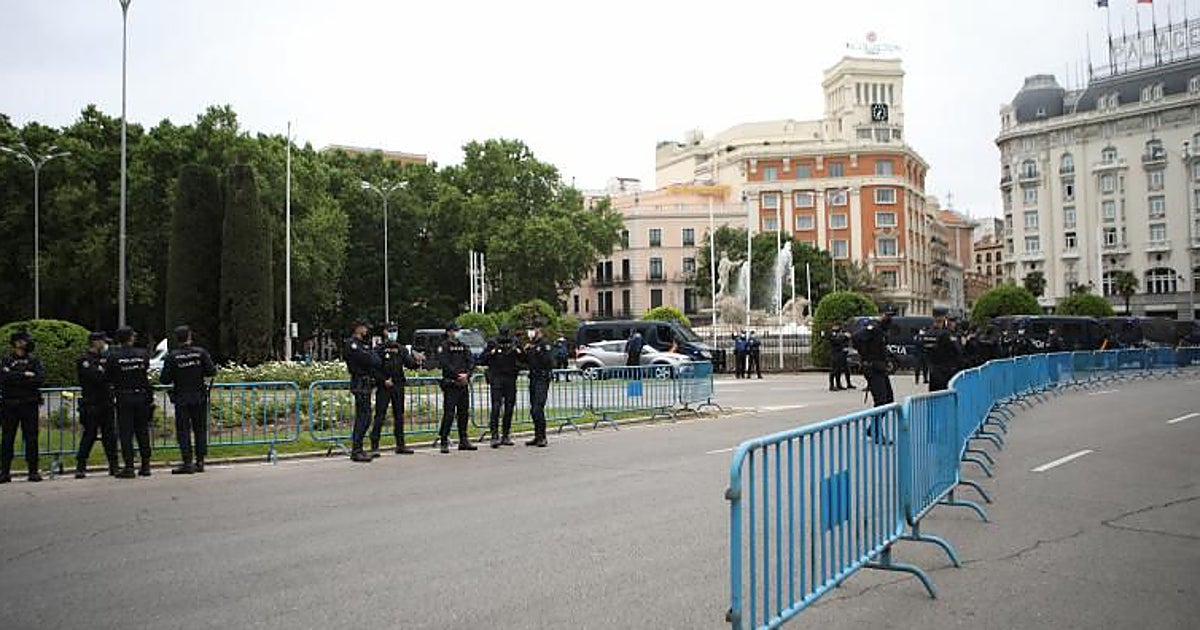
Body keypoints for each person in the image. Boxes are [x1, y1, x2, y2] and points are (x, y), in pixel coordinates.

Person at [160, 325, 216, 474]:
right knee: (200, 429)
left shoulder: (172, 356)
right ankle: (200, 461)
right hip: (199, 396)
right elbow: (212, 371)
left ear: (176, 339)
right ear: (190, 337)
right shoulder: (200, 353)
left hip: (181, 397)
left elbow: (164, 379)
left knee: (183, 431)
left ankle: (187, 462)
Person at [105, 327, 154, 478]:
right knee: (142, 431)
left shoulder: (113, 356)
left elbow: (108, 377)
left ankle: (129, 466)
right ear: (131, 338)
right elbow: (146, 371)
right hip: (142, 395)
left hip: (123, 396)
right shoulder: (142, 354)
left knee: (126, 433)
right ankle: (145, 465)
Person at [371, 323, 422, 457]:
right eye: (391, 331)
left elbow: (409, 364)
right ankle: (374, 445)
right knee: (380, 415)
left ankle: (400, 444)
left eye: (395, 331)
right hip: (384, 385)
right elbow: (374, 368)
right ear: (385, 332)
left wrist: (417, 361)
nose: (393, 334)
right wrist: (383, 380)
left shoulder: (401, 349)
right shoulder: (379, 349)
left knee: (399, 415)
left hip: (398, 384)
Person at [1, 331, 45, 483]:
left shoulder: (34, 360)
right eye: (25, 341)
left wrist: (16, 376)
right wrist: (25, 375)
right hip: (10, 404)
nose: (28, 343)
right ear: (17, 343)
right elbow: (4, 378)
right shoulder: (6, 360)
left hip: (29, 403)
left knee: (31, 438)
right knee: (7, 438)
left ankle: (33, 471)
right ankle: (5, 472)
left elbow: (39, 379)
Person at [75, 332, 118, 478]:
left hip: (106, 401)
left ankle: (113, 465)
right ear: (95, 342)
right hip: (91, 402)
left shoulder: (106, 358)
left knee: (109, 435)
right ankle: (81, 466)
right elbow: (96, 377)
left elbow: (112, 375)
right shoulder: (84, 359)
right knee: (89, 435)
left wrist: (105, 374)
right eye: (102, 341)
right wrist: (104, 374)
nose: (104, 344)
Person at [852, 308, 897, 443]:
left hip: (880, 368)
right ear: (881, 315)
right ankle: (877, 432)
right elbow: (856, 337)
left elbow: (881, 348)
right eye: (887, 316)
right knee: (881, 401)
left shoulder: (882, 330)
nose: (889, 319)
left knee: (889, 400)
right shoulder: (873, 327)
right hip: (872, 368)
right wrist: (864, 355)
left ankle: (873, 428)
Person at [479, 325, 522, 449]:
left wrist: (518, 351)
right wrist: (492, 352)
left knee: (509, 407)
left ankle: (506, 434)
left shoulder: (514, 342)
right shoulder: (493, 342)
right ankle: (494, 435)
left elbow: (524, 359)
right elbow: (482, 359)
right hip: (497, 378)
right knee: (496, 407)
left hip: (510, 377)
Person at [344, 319, 381, 463]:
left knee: (365, 417)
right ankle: (356, 450)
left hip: (366, 382)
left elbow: (376, 361)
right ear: (358, 328)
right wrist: (371, 356)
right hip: (359, 382)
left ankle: (359, 449)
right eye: (364, 327)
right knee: (363, 418)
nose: (366, 330)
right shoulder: (352, 344)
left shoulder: (363, 344)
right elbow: (368, 359)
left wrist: (371, 357)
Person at [437, 322, 476, 454]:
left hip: (463, 384)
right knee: (449, 413)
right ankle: (444, 440)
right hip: (451, 384)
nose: (457, 333)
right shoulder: (444, 346)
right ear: (449, 332)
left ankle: (463, 439)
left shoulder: (463, 346)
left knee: (463, 413)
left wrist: (467, 374)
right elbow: (445, 364)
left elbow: (471, 361)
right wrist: (457, 376)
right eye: (455, 330)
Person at [523, 321, 556, 448]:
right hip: (533, 378)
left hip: (542, 378)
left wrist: (536, 351)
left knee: (538, 408)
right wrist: (524, 352)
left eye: (532, 329)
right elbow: (527, 362)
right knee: (533, 409)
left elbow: (549, 361)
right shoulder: (532, 345)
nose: (530, 332)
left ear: (539, 330)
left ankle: (543, 437)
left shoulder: (545, 344)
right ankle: (537, 435)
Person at [921, 308, 963, 392]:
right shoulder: (946, 334)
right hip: (946, 373)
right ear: (944, 318)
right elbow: (958, 352)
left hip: (933, 373)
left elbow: (924, 352)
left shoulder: (927, 333)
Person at [827, 324, 852, 391]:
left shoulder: (840, 333)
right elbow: (836, 341)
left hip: (841, 352)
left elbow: (845, 341)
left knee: (839, 370)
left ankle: (838, 384)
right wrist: (844, 336)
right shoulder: (832, 333)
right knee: (834, 369)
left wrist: (846, 337)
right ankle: (831, 385)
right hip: (835, 353)